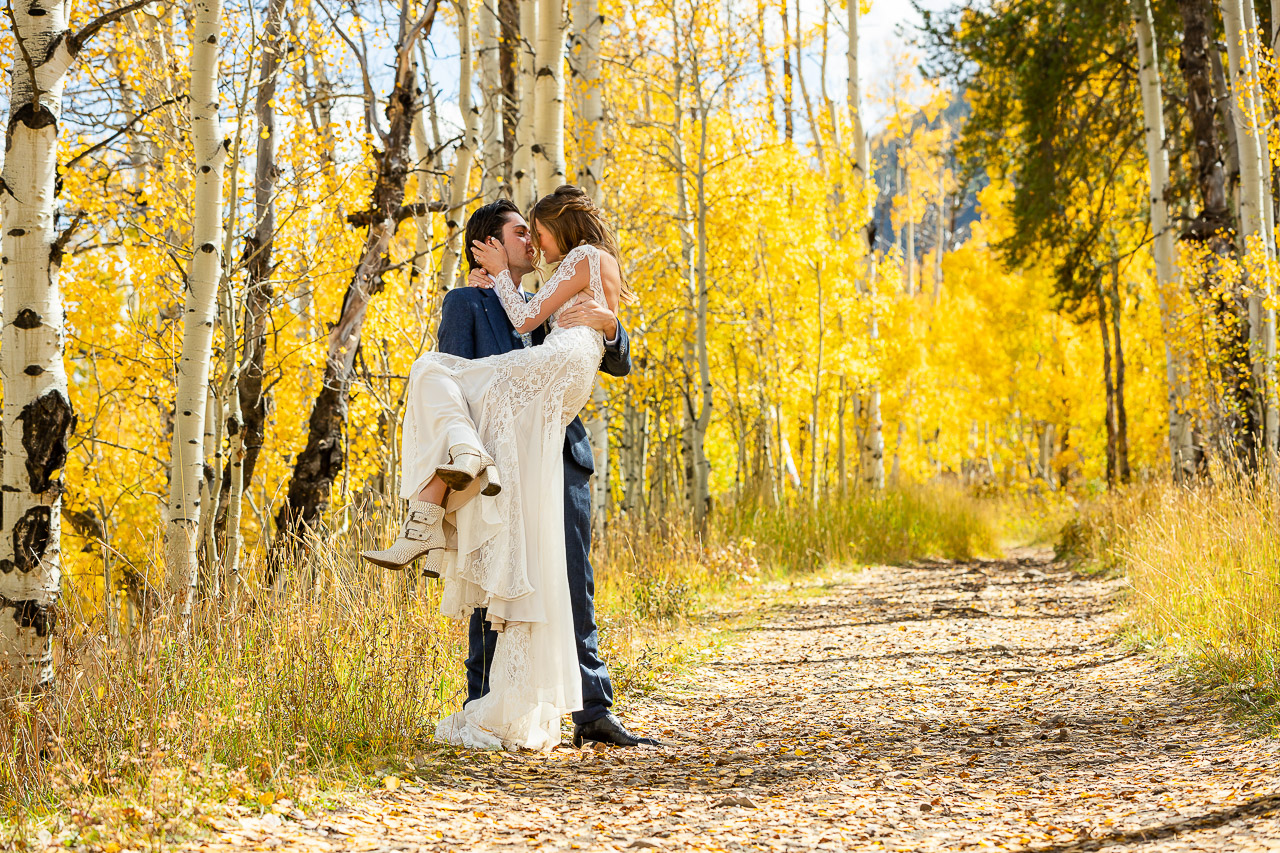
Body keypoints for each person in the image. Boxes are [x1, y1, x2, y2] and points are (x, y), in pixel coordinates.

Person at [362, 187, 657, 750]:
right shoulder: (466, 302)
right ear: (486, 247)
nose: (530, 239)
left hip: (561, 456)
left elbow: (610, 357)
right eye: (519, 231)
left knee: (572, 578)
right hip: (496, 463)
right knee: (494, 574)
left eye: (533, 230)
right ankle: (486, 703)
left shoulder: (554, 291)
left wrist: (611, 325)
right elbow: (461, 381)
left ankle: (592, 710)